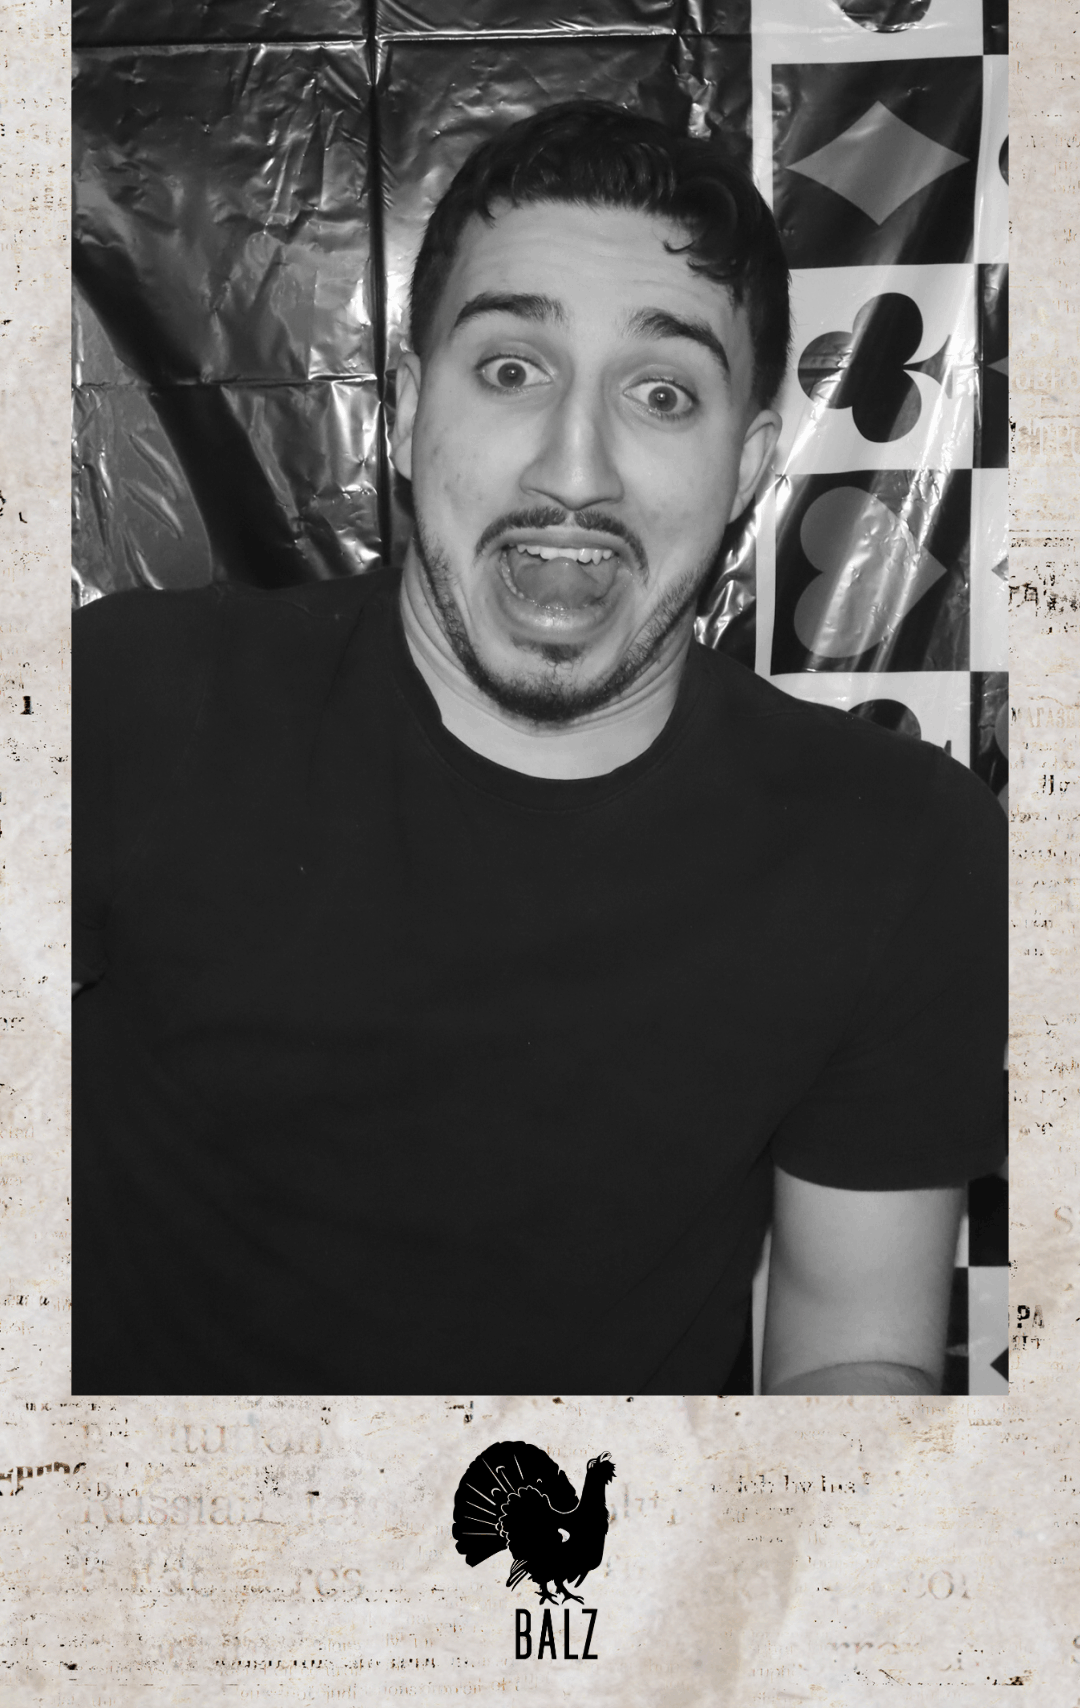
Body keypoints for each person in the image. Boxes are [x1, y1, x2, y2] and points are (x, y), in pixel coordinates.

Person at [72, 100, 1006, 1394]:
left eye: (662, 393)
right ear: (407, 412)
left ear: (746, 468)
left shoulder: (895, 849)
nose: (576, 469)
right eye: (513, 370)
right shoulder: (122, 711)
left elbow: (849, 1362)